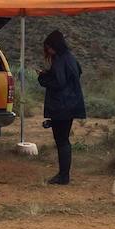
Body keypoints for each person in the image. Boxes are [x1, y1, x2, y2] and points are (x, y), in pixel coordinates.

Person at [37, 29, 86, 185]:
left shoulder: (59, 59)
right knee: (64, 140)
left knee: (62, 141)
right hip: (71, 104)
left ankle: (63, 176)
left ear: (53, 46)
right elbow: (77, 72)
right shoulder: (70, 58)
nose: (48, 51)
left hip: (61, 106)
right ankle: (63, 174)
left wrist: (43, 77)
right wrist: (50, 73)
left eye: (48, 48)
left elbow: (58, 82)